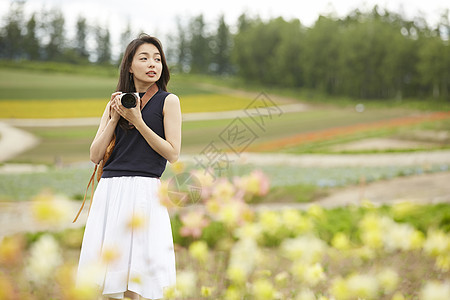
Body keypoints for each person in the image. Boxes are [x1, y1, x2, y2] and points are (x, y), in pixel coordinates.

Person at [76, 34, 181, 300]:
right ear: (129, 66)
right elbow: (94, 154)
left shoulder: (169, 101)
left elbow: (173, 153)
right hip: (111, 190)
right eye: (144, 58)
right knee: (112, 273)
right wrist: (114, 118)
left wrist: (139, 121)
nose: (152, 64)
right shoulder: (114, 103)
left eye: (157, 59)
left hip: (146, 190)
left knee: (141, 274)